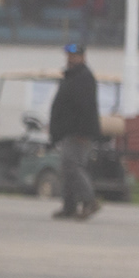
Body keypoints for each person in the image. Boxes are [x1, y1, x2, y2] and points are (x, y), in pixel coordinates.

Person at [48, 43, 101, 220]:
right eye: (69, 55)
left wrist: (83, 132)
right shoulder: (71, 76)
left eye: (74, 55)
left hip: (78, 133)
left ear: (83, 57)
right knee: (67, 168)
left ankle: (89, 201)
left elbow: (86, 107)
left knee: (73, 166)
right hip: (67, 132)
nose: (70, 59)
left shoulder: (84, 77)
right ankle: (69, 206)